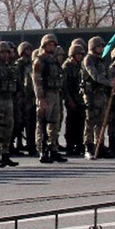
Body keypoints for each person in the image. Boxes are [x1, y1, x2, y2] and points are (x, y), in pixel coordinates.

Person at [31, 35, 67, 164]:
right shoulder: (39, 61)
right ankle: (42, 150)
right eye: (49, 45)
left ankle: (53, 148)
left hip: (55, 93)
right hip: (45, 95)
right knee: (42, 123)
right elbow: (36, 80)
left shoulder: (53, 61)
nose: (51, 47)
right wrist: (40, 98)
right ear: (44, 46)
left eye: (53, 45)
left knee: (54, 123)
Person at [81, 36, 115, 160]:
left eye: (102, 46)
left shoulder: (101, 60)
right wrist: (108, 82)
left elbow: (106, 74)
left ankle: (99, 145)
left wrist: (111, 81)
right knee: (90, 120)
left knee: (102, 121)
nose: (101, 48)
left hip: (101, 94)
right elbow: (94, 75)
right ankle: (88, 146)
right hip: (91, 94)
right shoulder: (88, 59)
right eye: (98, 46)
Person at [62, 42, 86, 157]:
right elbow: (64, 86)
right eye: (78, 54)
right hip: (71, 98)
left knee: (80, 123)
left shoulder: (80, 66)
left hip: (80, 98)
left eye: (81, 54)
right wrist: (69, 100)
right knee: (71, 123)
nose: (80, 56)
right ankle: (70, 146)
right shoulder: (67, 66)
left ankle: (79, 144)